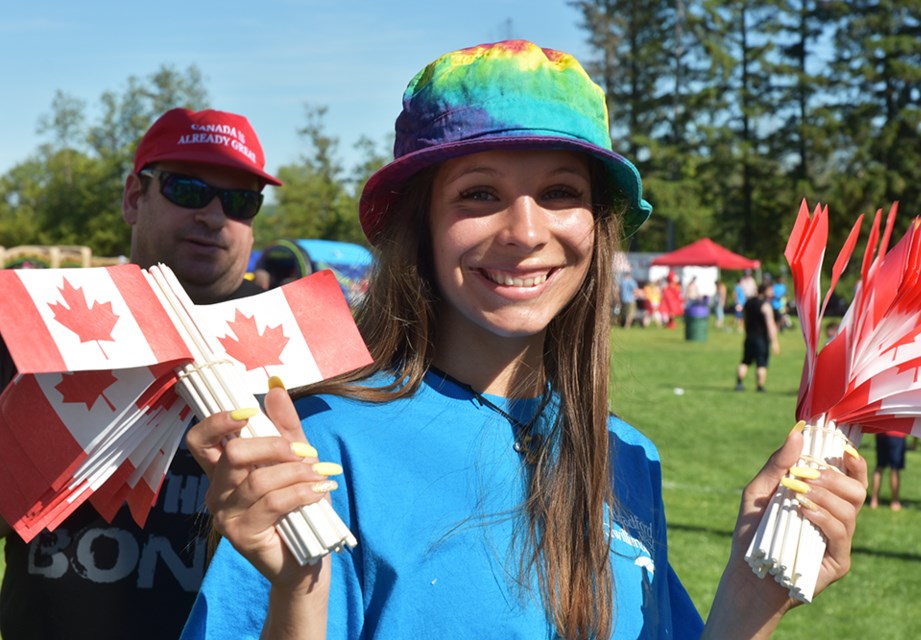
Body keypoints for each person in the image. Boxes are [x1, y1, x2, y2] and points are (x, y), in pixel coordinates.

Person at [181, 40, 867, 640]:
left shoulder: (627, 455)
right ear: (420, 226)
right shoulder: (323, 449)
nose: (526, 231)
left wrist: (756, 593)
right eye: (479, 194)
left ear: (596, 227)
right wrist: (300, 586)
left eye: (561, 193)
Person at [0, 107, 281, 640]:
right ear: (134, 197)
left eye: (241, 201)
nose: (214, 216)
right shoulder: (40, 321)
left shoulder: (295, 350)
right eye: (189, 190)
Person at [735, 281, 781, 392]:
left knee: (745, 361)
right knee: (761, 363)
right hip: (761, 339)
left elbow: (744, 319)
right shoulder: (765, 305)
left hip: (749, 337)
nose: (772, 293)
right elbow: (770, 324)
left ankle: (739, 383)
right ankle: (760, 386)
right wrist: (775, 342)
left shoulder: (748, 302)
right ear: (765, 290)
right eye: (771, 290)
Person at [869, 431, 907, 511]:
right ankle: (895, 502)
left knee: (879, 467)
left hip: (881, 433)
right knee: (895, 469)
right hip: (897, 434)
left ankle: (874, 500)